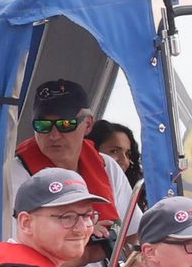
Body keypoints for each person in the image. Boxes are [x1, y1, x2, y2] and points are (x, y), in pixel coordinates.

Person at [14, 78, 126, 216]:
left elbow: (133, 232)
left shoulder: (107, 166)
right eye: (43, 125)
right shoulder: (13, 175)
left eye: (66, 124)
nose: (54, 135)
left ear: (88, 124)